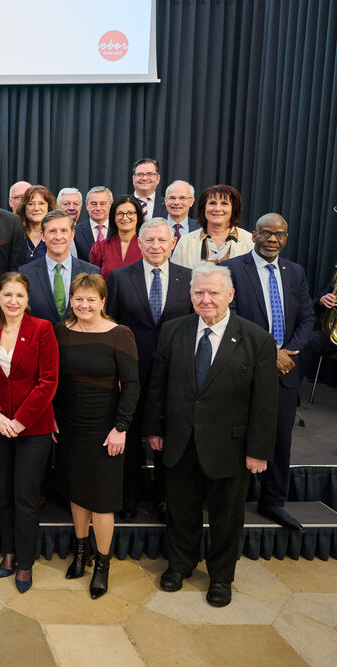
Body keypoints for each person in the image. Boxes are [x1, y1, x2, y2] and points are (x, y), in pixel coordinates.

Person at [144, 263, 276, 607]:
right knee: (180, 509)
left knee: (226, 517)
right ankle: (180, 565)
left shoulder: (257, 339)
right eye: (199, 292)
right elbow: (158, 385)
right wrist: (154, 429)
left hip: (230, 448)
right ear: (190, 295)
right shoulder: (173, 331)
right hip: (179, 440)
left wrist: (258, 450)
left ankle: (221, 577)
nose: (206, 299)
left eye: (214, 293)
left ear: (230, 296)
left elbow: (265, 403)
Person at [221, 214, 314, 532]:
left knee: (280, 437)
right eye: (266, 233)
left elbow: (307, 318)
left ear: (286, 238)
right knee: (237, 436)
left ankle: (273, 501)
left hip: (286, 369)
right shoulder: (233, 270)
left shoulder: (295, 272)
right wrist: (268, 353)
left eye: (279, 234)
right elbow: (229, 318)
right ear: (255, 235)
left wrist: (288, 352)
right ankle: (232, 500)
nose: (272, 239)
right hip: (245, 368)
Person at [54, 273, 139, 599]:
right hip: (70, 425)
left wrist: (121, 428)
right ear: (71, 301)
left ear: (103, 302)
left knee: (102, 501)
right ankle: (80, 551)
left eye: (91, 299)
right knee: (77, 492)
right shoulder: (61, 331)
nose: (84, 304)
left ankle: (102, 564)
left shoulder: (120, 334)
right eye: (79, 299)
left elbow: (132, 386)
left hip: (106, 429)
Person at [106, 218, 193, 523]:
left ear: (173, 243)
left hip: (174, 377)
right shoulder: (118, 278)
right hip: (132, 374)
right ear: (139, 244)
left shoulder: (189, 279)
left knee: (167, 439)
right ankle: (128, 496)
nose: (156, 246)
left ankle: (163, 497)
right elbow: (110, 327)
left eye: (162, 240)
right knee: (128, 441)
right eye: (149, 241)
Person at [0, 272, 59, 593]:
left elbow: (48, 382)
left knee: (25, 495)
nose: (13, 301)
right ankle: (8, 552)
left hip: (33, 429)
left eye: (19, 296)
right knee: (4, 492)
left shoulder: (42, 329)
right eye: (7, 295)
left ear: (28, 300)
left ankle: (25, 562)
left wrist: (20, 420)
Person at [20, 210, 99, 324]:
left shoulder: (92, 272)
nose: (58, 237)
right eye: (52, 231)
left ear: (72, 235)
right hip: (40, 341)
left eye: (63, 231)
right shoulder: (25, 274)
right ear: (43, 235)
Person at [171, 185, 253, 268]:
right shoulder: (186, 242)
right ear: (204, 208)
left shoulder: (250, 242)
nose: (217, 209)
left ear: (233, 208)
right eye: (212, 203)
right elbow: (176, 277)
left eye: (224, 203)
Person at [89, 195, 143, 279]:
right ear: (113, 217)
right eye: (120, 214)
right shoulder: (100, 247)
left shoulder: (146, 246)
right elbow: (94, 283)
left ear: (138, 216)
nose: (125, 218)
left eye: (130, 213)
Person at [15, 185, 57, 263]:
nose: (36, 208)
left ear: (49, 207)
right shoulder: (15, 233)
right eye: (31, 204)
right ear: (24, 207)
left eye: (41, 203)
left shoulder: (57, 235)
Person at [74, 186, 113, 259]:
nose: (98, 208)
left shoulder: (119, 230)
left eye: (103, 203)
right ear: (86, 205)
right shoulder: (76, 232)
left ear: (111, 204)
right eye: (94, 204)